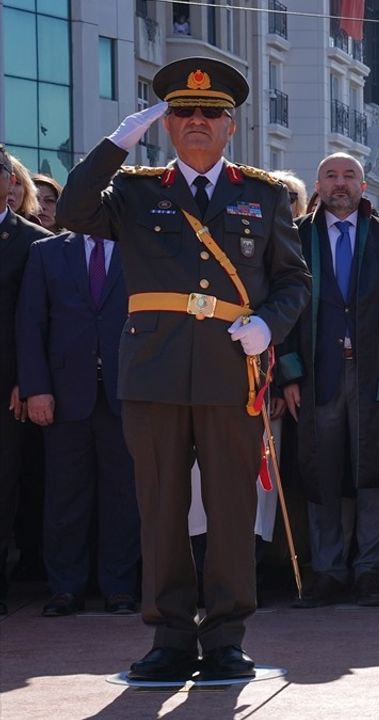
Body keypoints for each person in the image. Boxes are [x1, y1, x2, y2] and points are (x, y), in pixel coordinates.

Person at [56, 57, 309, 682]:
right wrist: (115, 144)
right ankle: (168, 637)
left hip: (229, 369)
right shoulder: (137, 190)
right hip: (153, 371)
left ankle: (225, 636)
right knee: (161, 508)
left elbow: (293, 281)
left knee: (229, 509)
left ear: (231, 127)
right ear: (167, 123)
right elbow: (72, 211)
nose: (197, 121)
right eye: (183, 112)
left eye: (211, 113)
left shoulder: (263, 194)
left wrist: (267, 326)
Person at [280, 153, 379, 609]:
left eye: (349, 175)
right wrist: (287, 375)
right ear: (318, 184)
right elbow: (282, 309)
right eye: (331, 175)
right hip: (316, 373)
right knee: (320, 471)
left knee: (372, 472)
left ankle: (370, 570)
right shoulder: (294, 238)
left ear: (364, 185)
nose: (340, 184)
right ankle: (327, 570)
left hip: (373, 374)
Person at [17, 226, 140, 618]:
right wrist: (36, 389)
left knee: (123, 496)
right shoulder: (45, 252)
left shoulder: (138, 246)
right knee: (65, 497)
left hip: (127, 394)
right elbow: (30, 324)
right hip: (65, 394)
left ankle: (119, 587)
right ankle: (65, 589)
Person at [0, 145, 55, 616]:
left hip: (7, 386)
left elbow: (33, 319)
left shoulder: (33, 240)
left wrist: (26, 378)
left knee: (4, 485)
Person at [7, 155, 40, 222]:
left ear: (26, 191)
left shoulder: (33, 230)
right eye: (6, 181)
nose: (11, 190)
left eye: (17, 183)